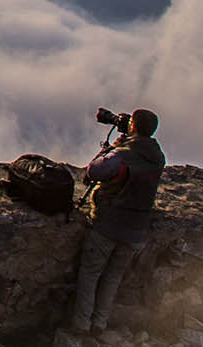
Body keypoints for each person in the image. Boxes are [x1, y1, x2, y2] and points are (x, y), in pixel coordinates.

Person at [69, 107, 164, 337]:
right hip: (136, 230)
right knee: (112, 278)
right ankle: (99, 324)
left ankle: (81, 325)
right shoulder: (158, 157)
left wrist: (113, 147)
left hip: (108, 224)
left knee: (91, 273)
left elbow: (95, 171)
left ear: (132, 126)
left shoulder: (124, 154)